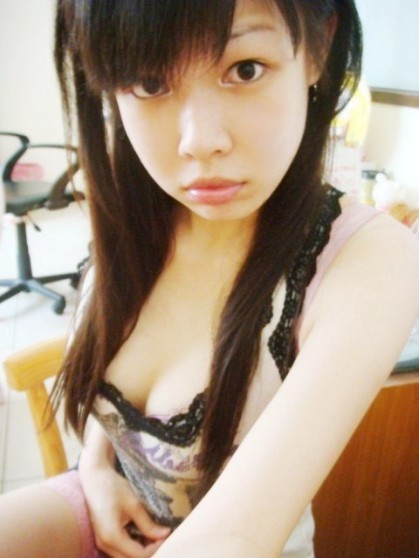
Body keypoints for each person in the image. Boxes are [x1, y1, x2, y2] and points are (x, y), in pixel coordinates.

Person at [1, 0, 419, 557]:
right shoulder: (138, 216)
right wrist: (96, 468)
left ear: (318, 47)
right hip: (106, 507)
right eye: (149, 82)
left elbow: (233, 538)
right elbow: (116, 379)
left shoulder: (366, 259)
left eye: (245, 69)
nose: (199, 141)